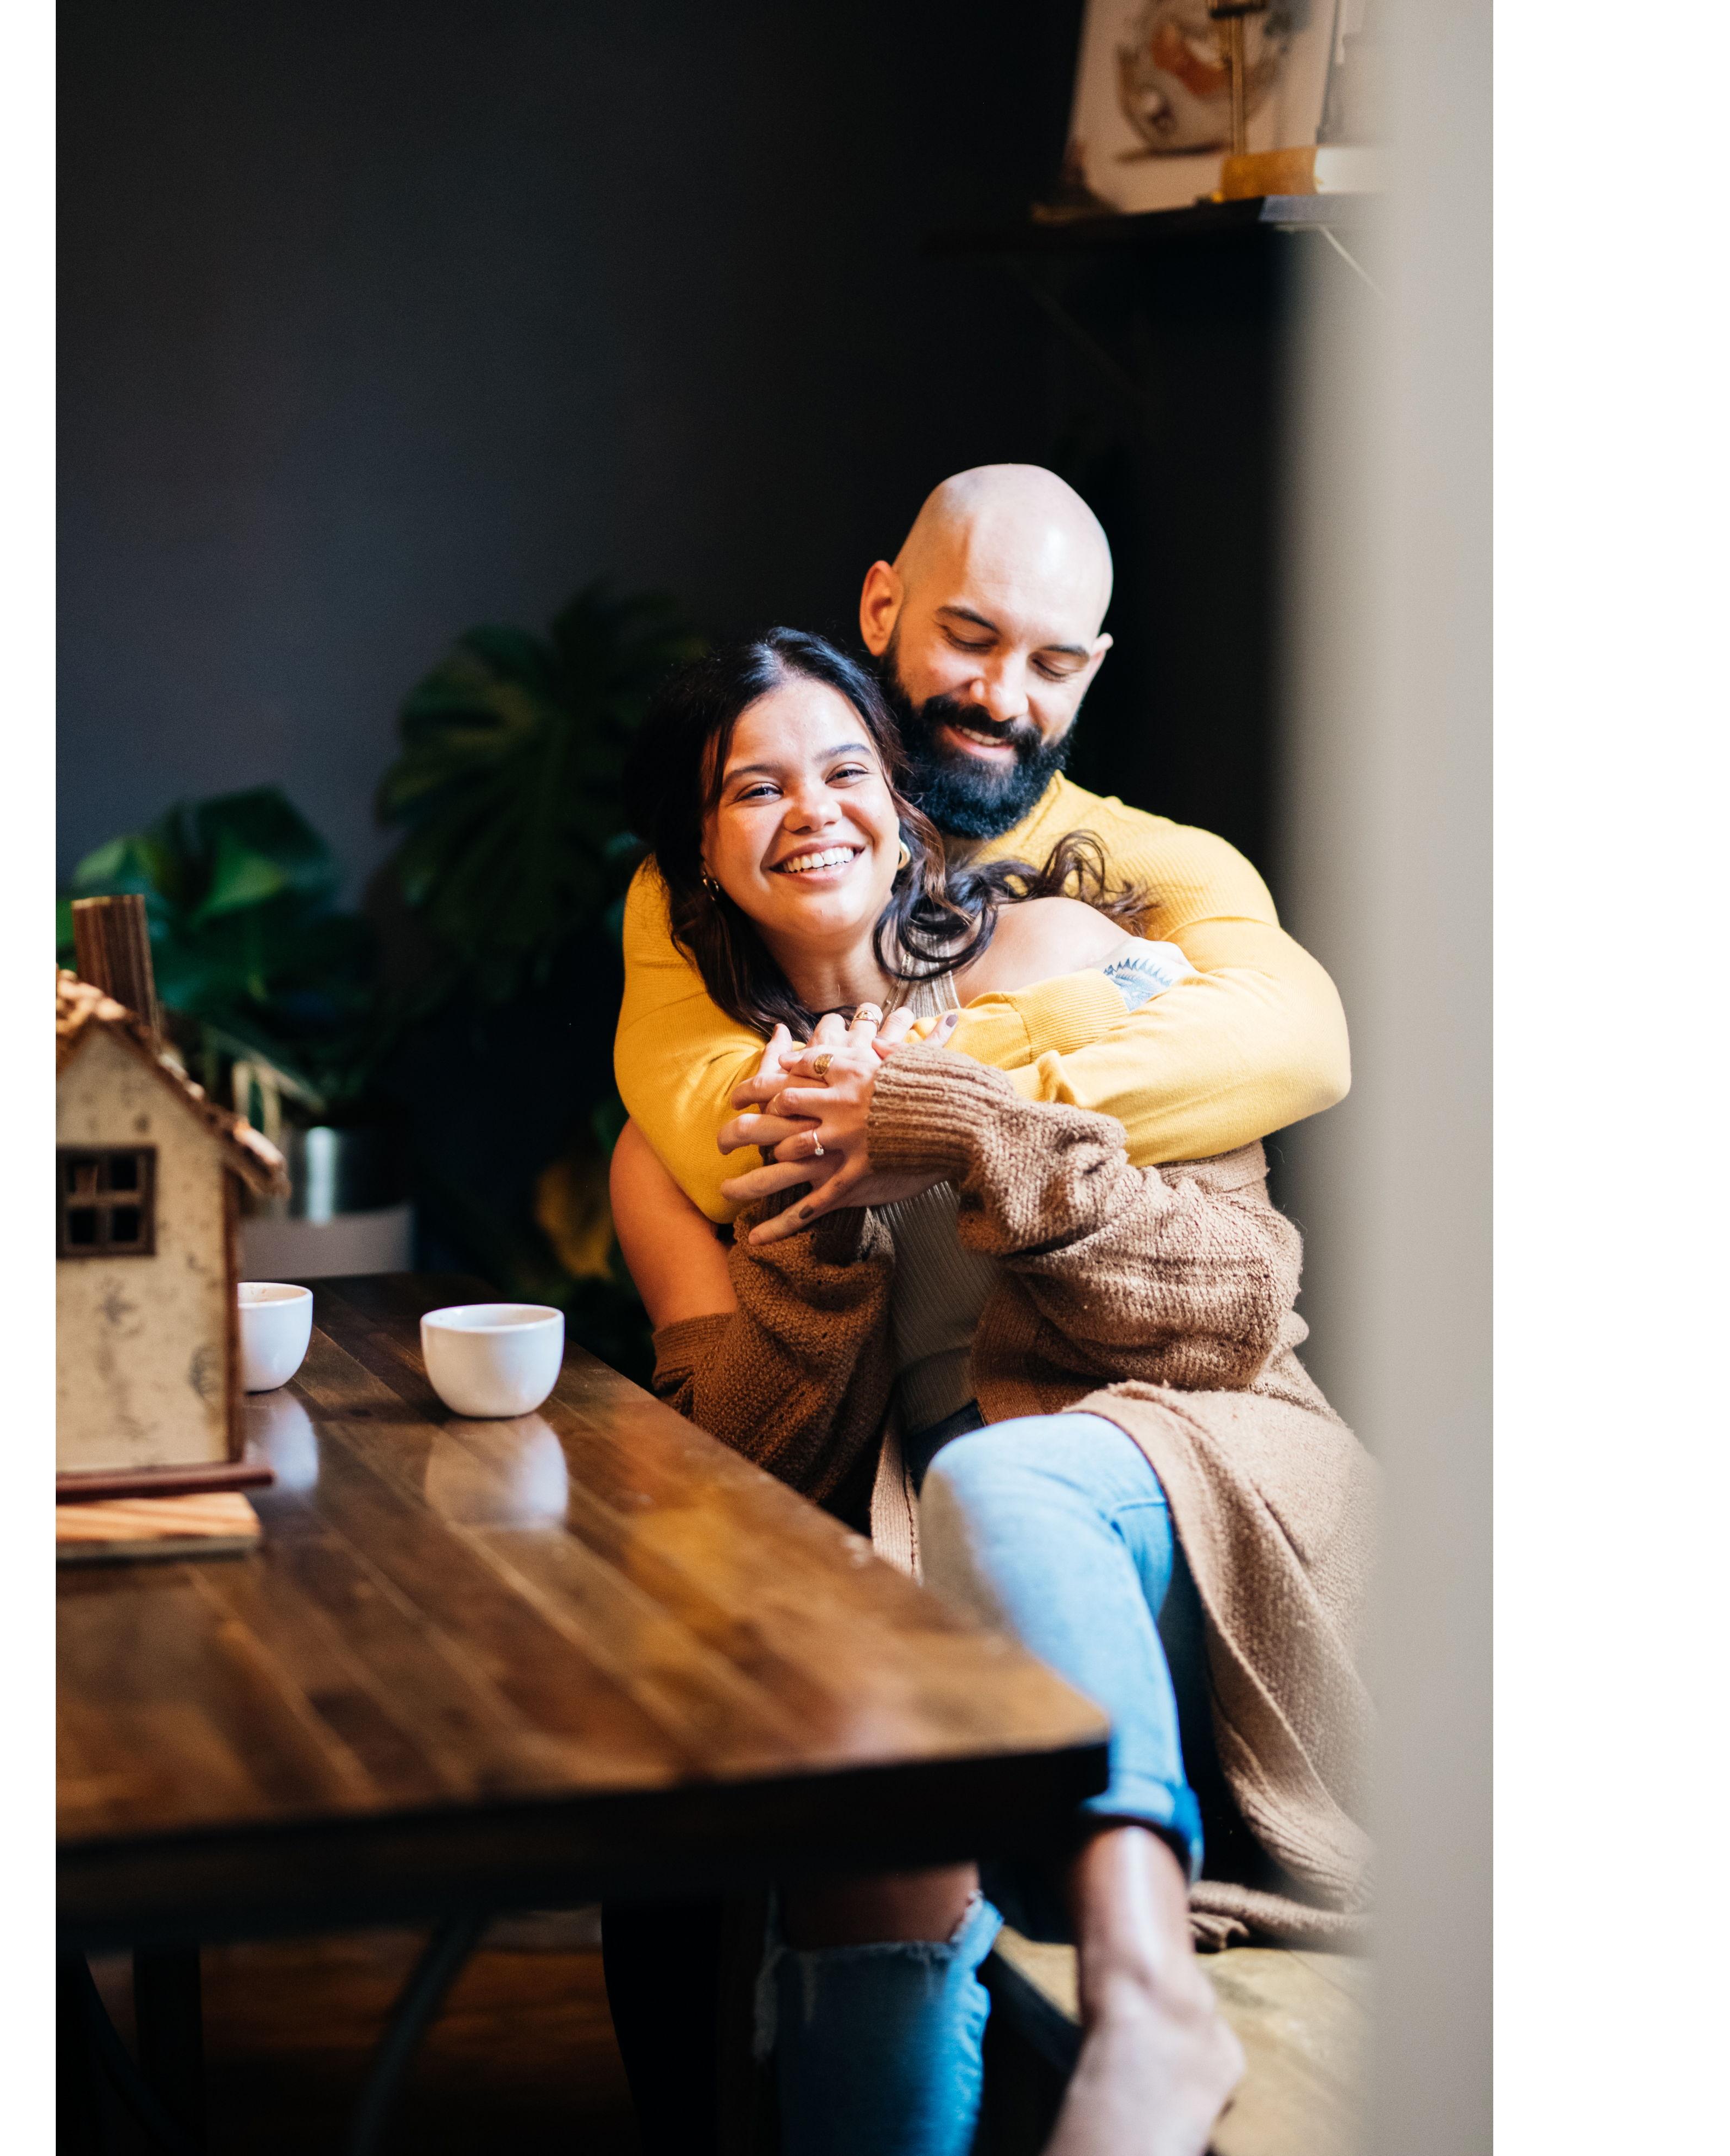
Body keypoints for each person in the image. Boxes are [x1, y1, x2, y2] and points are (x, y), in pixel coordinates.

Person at [603, 628, 1376, 2156]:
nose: (810, 809)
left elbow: (1237, 1300)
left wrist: (963, 1131)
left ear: (901, 805)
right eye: (754, 788)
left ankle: (1147, 2004)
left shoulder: (1073, 971)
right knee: (870, 1818)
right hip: (926, 1555)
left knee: (998, 1480)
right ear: (698, 860)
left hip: (1195, 1481)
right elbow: (741, 1460)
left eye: (843, 770)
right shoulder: (675, 1146)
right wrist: (815, 1225)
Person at [612, 462, 1351, 1238]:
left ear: (1092, 669)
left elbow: (1300, 1047)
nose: (1001, 697)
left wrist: (943, 1125)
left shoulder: (1168, 865)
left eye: (1053, 666)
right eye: (969, 639)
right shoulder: (710, 876)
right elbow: (715, 1143)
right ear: (881, 608)